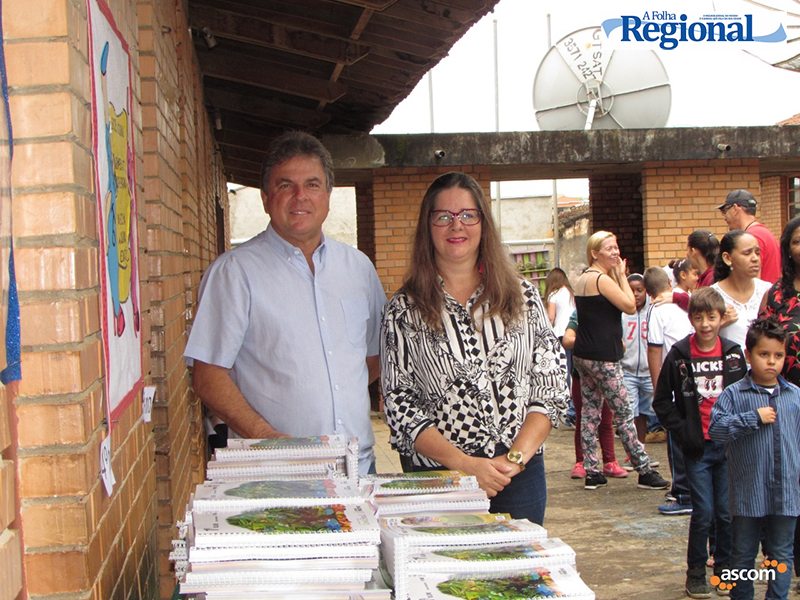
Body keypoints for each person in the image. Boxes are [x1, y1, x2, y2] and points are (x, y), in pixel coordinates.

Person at [184, 131, 386, 476]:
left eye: (312, 185)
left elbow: (372, 357)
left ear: (328, 195)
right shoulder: (234, 272)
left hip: (357, 468)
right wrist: (266, 437)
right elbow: (208, 377)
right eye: (285, 185)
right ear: (266, 198)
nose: (300, 197)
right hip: (274, 472)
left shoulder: (359, 268)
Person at [380, 172, 570, 525]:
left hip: (518, 475)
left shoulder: (524, 297)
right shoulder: (403, 309)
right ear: (428, 226)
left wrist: (513, 460)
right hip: (438, 478)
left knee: (519, 561)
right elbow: (399, 403)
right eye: (443, 216)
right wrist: (465, 465)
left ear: (483, 223)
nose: (457, 225)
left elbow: (552, 384)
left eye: (468, 214)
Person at [653, 287, 747, 598]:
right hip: (697, 449)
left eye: (711, 317)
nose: (705, 324)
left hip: (728, 446)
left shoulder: (733, 354)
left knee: (726, 512)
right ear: (690, 318)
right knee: (703, 511)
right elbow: (661, 402)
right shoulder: (680, 354)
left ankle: (723, 569)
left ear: (722, 318)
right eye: (698, 317)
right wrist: (683, 431)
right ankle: (695, 573)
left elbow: (746, 396)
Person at [709, 317, 800, 600]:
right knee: (742, 555)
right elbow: (716, 430)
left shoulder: (795, 396)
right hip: (748, 495)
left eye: (778, 355)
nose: (771, 362)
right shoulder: (734, 394)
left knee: (781, 553)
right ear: (748, 355)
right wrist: (752, 418)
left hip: (786, 493)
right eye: (763, 354)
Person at [572, 231, 669, 491]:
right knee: (624, 414)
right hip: (604, 358)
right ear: (595, 253)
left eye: (616, 247)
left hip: (584, 355)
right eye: (609, 248)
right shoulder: (601, 279)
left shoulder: (583, 278)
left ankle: (592, 471)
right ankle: (644, 470)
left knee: (589, 413)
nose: (615, 252)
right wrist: (622, 275)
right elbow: (629, 305)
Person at [758, 215, 800, 591]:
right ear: (787, 249)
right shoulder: (776, 294)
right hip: (785, 397)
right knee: (789, 480)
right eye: (797, 241)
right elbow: (761, 342)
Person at [644, 266, 695, 516]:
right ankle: (692, 490)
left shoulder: (657, 309)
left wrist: (658, 390)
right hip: (696, 381)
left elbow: (655, 350)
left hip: (674, 383)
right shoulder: (689, 303)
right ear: (669, 282)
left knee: (676, 439)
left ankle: (683, 493)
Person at [563, 309, 623, 480]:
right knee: (583, 418)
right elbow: (567, 340)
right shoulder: (579, 314)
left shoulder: (610, 314)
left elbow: (622, 344)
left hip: (606, 373)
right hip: (582, 375)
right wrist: (591, 342)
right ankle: (581, 460)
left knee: (606, 420)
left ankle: (610, 460)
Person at [711, 230, 771, 354]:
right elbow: (694, 339)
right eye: (747, 253)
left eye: (757, 253)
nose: (755, 259)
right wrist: (717, 324)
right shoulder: (713, 296)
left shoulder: (769, 291)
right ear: (727, 258)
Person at [717, 189, 780, 284]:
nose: (725, 218)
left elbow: (753, 282)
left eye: (725, 211)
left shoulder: (752, 237)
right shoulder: (764, 233)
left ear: (735, 209)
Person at [545, 267, 577, 426]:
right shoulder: (572, 293)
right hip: (574, 335)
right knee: (574, 372)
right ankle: (575, 406)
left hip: (560, 335)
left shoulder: (553, 294)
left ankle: (568, 408)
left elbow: (550, 318)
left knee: (564, 371)